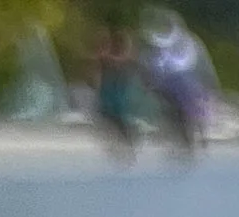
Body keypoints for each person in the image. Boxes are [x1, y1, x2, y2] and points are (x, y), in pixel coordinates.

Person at [139, 8, 217, 156]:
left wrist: (209, 82)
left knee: (186, 114)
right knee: (171, 112)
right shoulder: (158, 46)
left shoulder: (189, 43)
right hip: (169, 87)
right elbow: (151, 66)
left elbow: (202, 65)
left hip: (185, 88)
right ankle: (181, 139)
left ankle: (189, 139)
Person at [92, 28, 142, 159]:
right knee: (110, 118)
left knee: (117, 119)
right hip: (110, 94)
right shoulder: (108, 59)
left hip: (117, 95)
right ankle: (122, 142)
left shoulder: (123, 60)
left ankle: (126, 141)